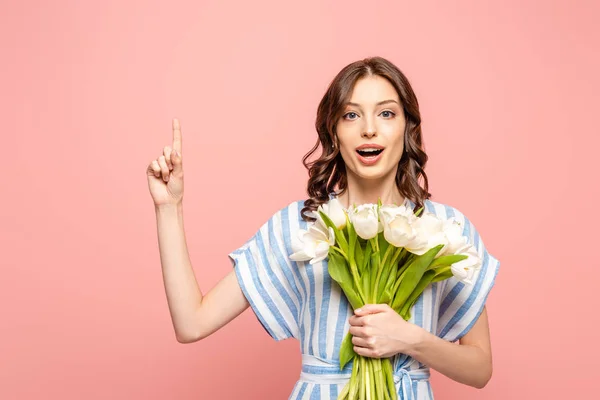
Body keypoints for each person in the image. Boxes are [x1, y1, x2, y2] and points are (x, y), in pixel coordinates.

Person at [146, 56, 500, 399]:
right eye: (351, 115)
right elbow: (191, 323)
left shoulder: (446, 230)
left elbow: (480, 367)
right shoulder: (300, 226)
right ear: (334, 130)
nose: (369, 129)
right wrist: (169, 207)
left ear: (408, 127)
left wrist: (410, 339)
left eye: (387, 113)